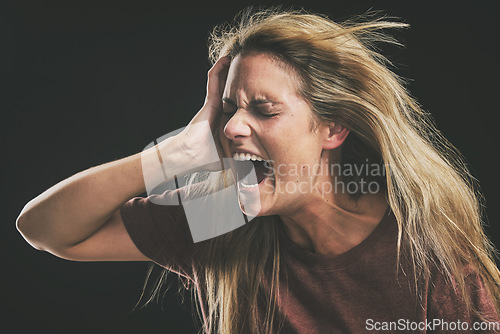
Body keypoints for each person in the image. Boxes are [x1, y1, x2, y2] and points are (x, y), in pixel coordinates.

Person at [16, 7, 500, 334]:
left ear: (332, 128)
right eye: (229, 109)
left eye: (264, 110)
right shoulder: (224, 216)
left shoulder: (428, 264)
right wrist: (177, 154)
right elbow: (49, 230)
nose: (232, 128)